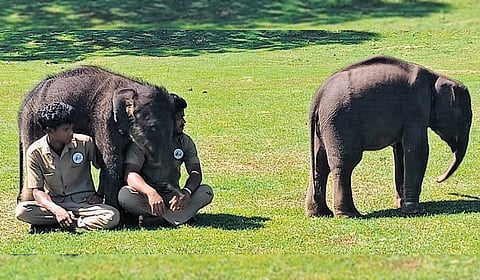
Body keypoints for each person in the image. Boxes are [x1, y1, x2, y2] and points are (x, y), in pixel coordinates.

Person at [15, 102, 120, 232]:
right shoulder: (35, 152)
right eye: (66, 129)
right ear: (49, 131)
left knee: (112, 215)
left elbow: (105, 168)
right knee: (22, 211)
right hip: (55, 202)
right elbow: (37, 191)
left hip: (84, 203)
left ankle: (73, 223)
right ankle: (66, 218)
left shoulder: (85, 143)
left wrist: (100, 193)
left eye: (71, 128)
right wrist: (57, 210)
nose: (71, 132)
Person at [118, 94, 213, 227]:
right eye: (180, 118)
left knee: (206, 192)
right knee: (125, 196)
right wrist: (151, 193)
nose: (184, 122)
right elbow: (131, 173)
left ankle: (159, 219)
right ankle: (180, 217)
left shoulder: (184, 141)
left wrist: (186, 192)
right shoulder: (143, 141)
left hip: (173, 197)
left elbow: (195, 172)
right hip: (147, 197)